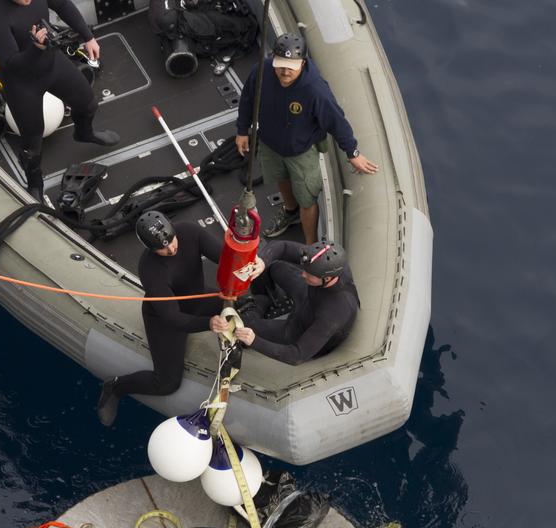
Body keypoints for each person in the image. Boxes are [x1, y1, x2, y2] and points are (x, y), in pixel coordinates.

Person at [234, 33, 379, 245]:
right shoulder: (261, 72)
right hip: (270, 144)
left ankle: (310, 244)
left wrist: (353, 153)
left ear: (302, 63)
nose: (285, 72)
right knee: (280, 176)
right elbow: (248, 99)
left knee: (307, 199)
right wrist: (242, 130)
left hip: (301, 152)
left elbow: (336, 121)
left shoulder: (315, 90)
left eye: (291, 67)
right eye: (281, 65)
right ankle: (290, 211)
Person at [96, 212, 226, 427]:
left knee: (243, 305)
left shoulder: (190, 231)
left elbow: (224, 257)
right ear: (150, 248)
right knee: (167, 383)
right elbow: (173, 317)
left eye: (173, 241)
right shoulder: (150, 269)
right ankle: (116, 387)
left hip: (196, 297)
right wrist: (209, 324)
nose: (172, 249)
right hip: (164, 319)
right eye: (163, 248)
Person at [0, 0, 120, 198]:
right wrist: (36, 47)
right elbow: (11, 63)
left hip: (52, 63)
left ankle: (84, 133)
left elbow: (63, 5)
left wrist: (88, 37)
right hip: (22, 83)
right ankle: (35, 182)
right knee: (32, 141)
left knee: (88, 104)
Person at [210, 239, 359, 365]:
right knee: (272, 267)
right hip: (308, 296)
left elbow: (297, 355)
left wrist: (254, 341)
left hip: (299, 329)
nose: (303, 274)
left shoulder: (335, 312)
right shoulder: (333, 267)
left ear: (327, 278)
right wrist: (262, 261)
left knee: (243, 324)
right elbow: (284, 247)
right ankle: (263, 299)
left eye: (309, 273)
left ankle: (257, 308)